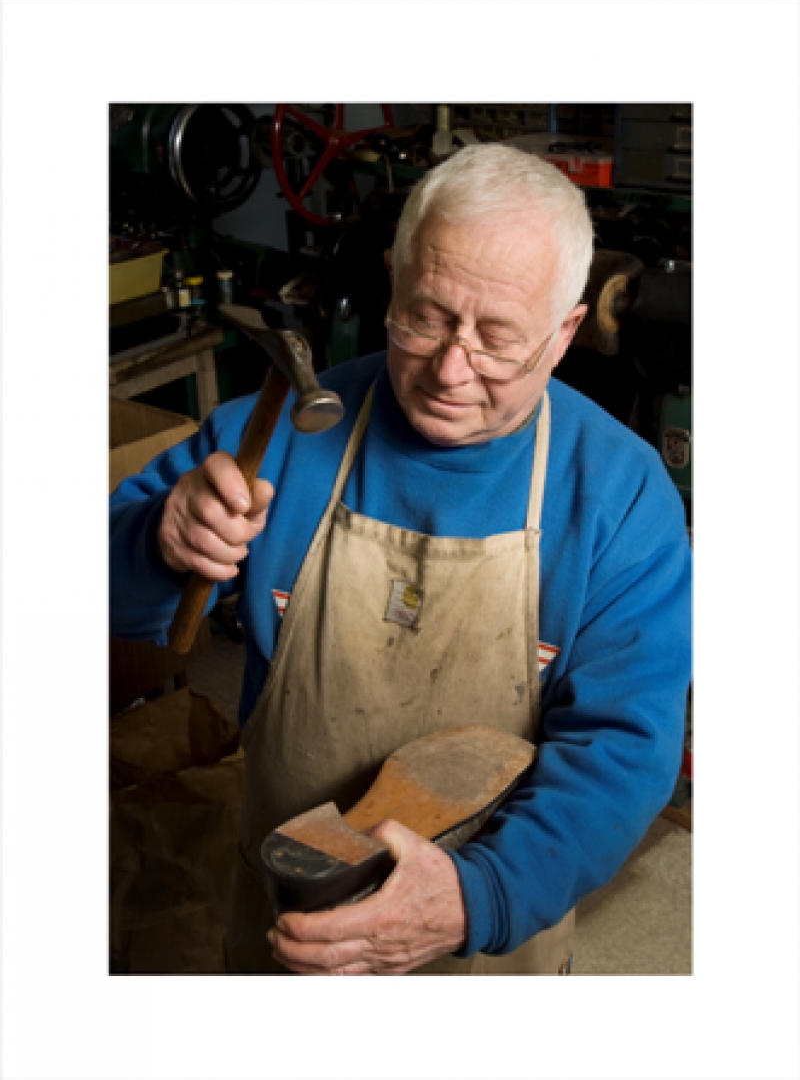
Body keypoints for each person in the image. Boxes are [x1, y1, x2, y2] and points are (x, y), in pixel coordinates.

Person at [110, 144, 692, 975]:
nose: (452, 370)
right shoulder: (276, 433)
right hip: (286, 927)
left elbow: (624, 749)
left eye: (497, 339)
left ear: (564, 332)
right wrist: (160, 543)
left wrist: (476, 896)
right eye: (425, 317)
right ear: (394, 279)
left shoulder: (619, 495)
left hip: (490, 943)